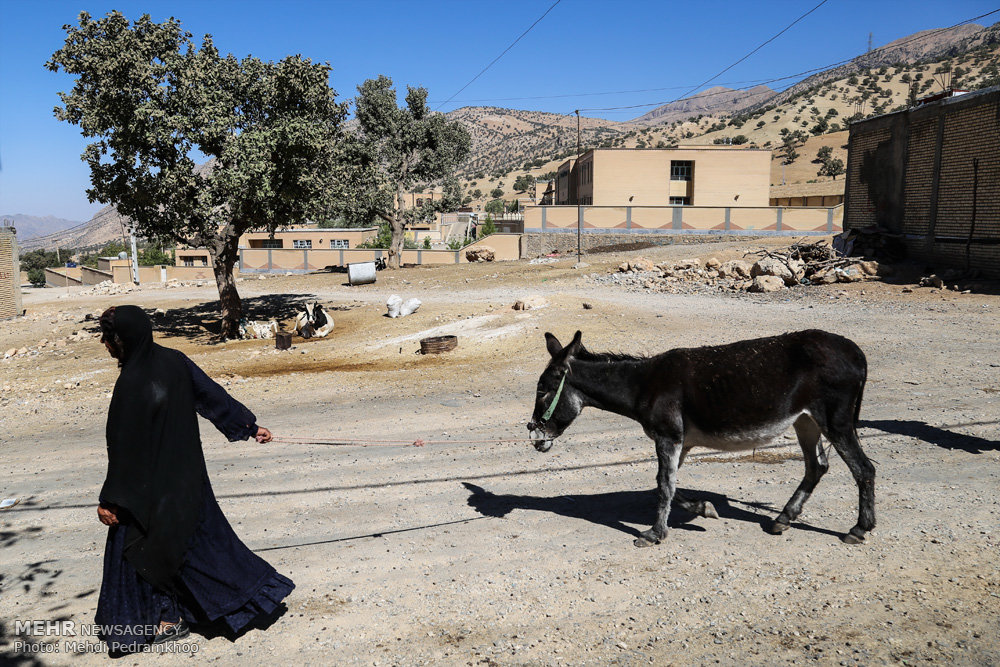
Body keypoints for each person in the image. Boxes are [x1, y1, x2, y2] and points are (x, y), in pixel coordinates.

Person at [95, 305, 293, 654]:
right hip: (188, 482)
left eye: (108, 337)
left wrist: (111, 500)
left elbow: (124, 451)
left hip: (147, 493)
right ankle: (193, 611)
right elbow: (212, 396)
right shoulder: (174, 360)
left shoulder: (131, 383)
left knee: (142, 550)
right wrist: (248, 426)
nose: (104, 343)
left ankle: (164, 620)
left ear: (123, 340)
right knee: (196, 545)